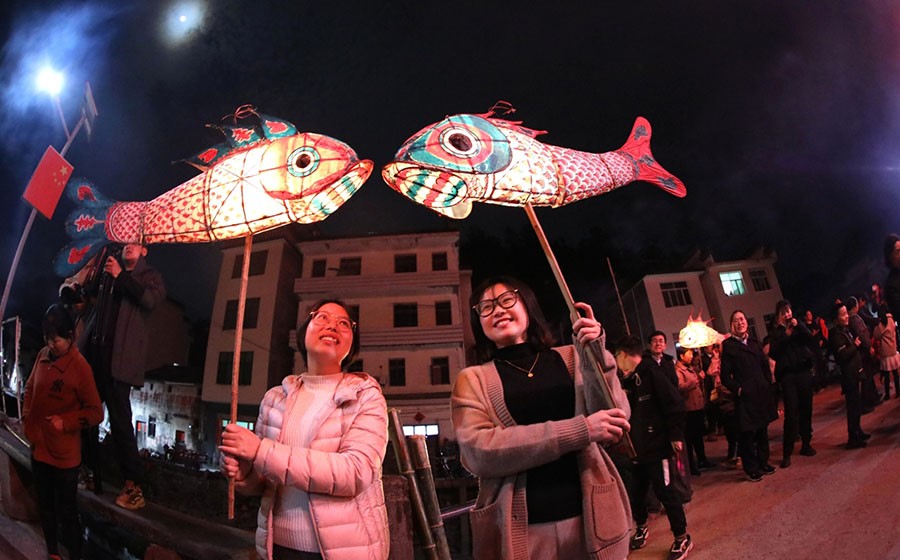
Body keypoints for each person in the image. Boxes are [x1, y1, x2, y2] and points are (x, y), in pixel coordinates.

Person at [451, 277, 633, 560]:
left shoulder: (572, 356)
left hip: (592, 518)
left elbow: (614, 418)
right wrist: (580, 430)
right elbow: (480, 451)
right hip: (521, 532)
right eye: (485, 307)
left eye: (506, 299)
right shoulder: (472, 379)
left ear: (528, 305)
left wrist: (595, 352)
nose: (497, 310)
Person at [220, 299, 390, 560]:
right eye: (322, 317)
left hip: (346, 552)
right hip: (278, 549)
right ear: (304, 331)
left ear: (352, 344)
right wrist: (245, 474)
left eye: (344, 323)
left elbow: (356, 472)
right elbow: (265, 482)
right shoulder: (275, 399)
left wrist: (260, 450)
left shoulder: (365, 395)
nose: (333, 325)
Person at [85, 242, 166, 509]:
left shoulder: (150, 276)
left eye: (136, 243)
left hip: (120, 363)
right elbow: (92, 301)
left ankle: (134, 487)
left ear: (144, 252)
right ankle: (91, 474)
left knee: (121, 423)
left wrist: (121, 276)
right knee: (87, 417)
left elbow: (149, 300)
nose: (129, 246)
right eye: (126, 243)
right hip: (97, 358)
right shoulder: (109, 275)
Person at [23, 304, 103, 560]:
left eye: (56, 339)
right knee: (45, 506)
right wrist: (27, 422)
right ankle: (53, 553)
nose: (51, 344)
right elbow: (28, 389)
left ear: (70, 336)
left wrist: (65, 421)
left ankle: (75, 555)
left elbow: (95, 412)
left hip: (64, 456)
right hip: (39, 447)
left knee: (68, 512)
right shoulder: (42, 356)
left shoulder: (80, 368)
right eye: (47, 338)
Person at [614, 336, 693, 560]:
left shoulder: (652, 373)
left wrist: (675, 435)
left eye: (618, 357)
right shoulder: (627, 381)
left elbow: (675, 403)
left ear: (625, 355)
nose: (617, 363)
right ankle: (641, 527)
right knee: (637, 494)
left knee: (666, 493)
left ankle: (681, 536)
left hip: (658, 448)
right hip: (637, 450)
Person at [720, 311, 778, 481]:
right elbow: (725, 376)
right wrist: (738, 389)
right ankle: (751, 468)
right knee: (747, 433)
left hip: (761, 393)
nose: (740, 323)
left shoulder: (754, 343)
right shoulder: (729, 346)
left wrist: (768, 384)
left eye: (742, 319)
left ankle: (763, 462)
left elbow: (764, 366)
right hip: (745, 396)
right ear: (732, 325)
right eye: (736, 320)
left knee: (762, 430)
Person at [767, 300, 816, 468]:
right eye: (783, 312)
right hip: (788, 376)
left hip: (803, 371)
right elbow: (773, 352)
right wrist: (785, 336)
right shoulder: (775, 332)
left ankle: (806, 443)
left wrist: (799, 326)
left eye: (789, 311)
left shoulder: (798, 326)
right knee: (791, 412)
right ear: (778, 317)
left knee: (806, 408)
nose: (787, 315)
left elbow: (810, 339)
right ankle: (787, 452)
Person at [828, 302, 871, 449]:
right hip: (849, 376)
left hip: (855, 372)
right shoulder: (835, 335)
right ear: (836, 319)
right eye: (843, 314)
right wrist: (856, 345)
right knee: (852, 408)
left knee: (857, 406)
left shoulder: (845, 331)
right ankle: (853, 438)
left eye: (847, 313)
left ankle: (858, 431)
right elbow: (842, 355)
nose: (847, 316)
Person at [674, 346, 712, 476]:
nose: (691, 356)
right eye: (689, 354)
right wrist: (695, 379)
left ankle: (702, 459)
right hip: (688, 409)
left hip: (697, 407)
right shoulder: (678, 370)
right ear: (681, 356)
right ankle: (691, 465)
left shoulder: (690, 368)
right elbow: (680, 386)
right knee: (689, 439)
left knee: (698, 437)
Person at [872, 307, 900, 400]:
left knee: (887, 375)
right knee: (895, 373)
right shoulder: (891, 320)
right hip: (893, 349)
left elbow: (876, 336)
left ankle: (887, 394)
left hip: (886, 352)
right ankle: (898, 391)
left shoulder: (881, 324)